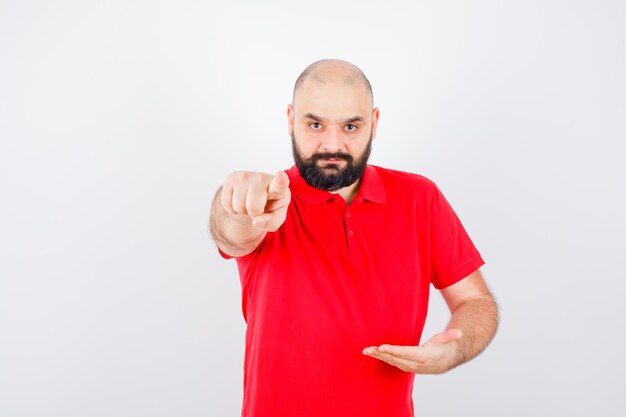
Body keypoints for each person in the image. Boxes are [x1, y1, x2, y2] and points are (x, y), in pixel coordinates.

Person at [209, 58, 499, 417]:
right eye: (315, 124)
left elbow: (475, 300)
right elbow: (231, 232)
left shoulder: (420, 199)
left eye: (350, 126)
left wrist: (453, 349)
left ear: (373, 124)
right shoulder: (269, 201)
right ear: (290, 120)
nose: (333, 144)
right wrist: (236, 205)